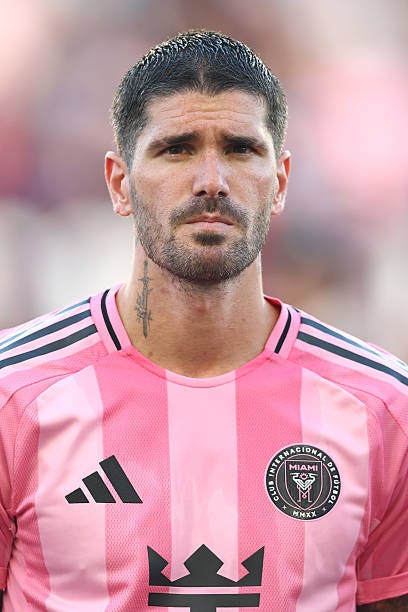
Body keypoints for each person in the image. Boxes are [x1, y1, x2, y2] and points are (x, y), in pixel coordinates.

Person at [0, 30, 407, 612]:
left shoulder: (383, 409)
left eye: (240, 149)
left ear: (280, 184)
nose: (212, 180)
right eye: (177, 149)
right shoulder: (14, 396)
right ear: (119, 183)